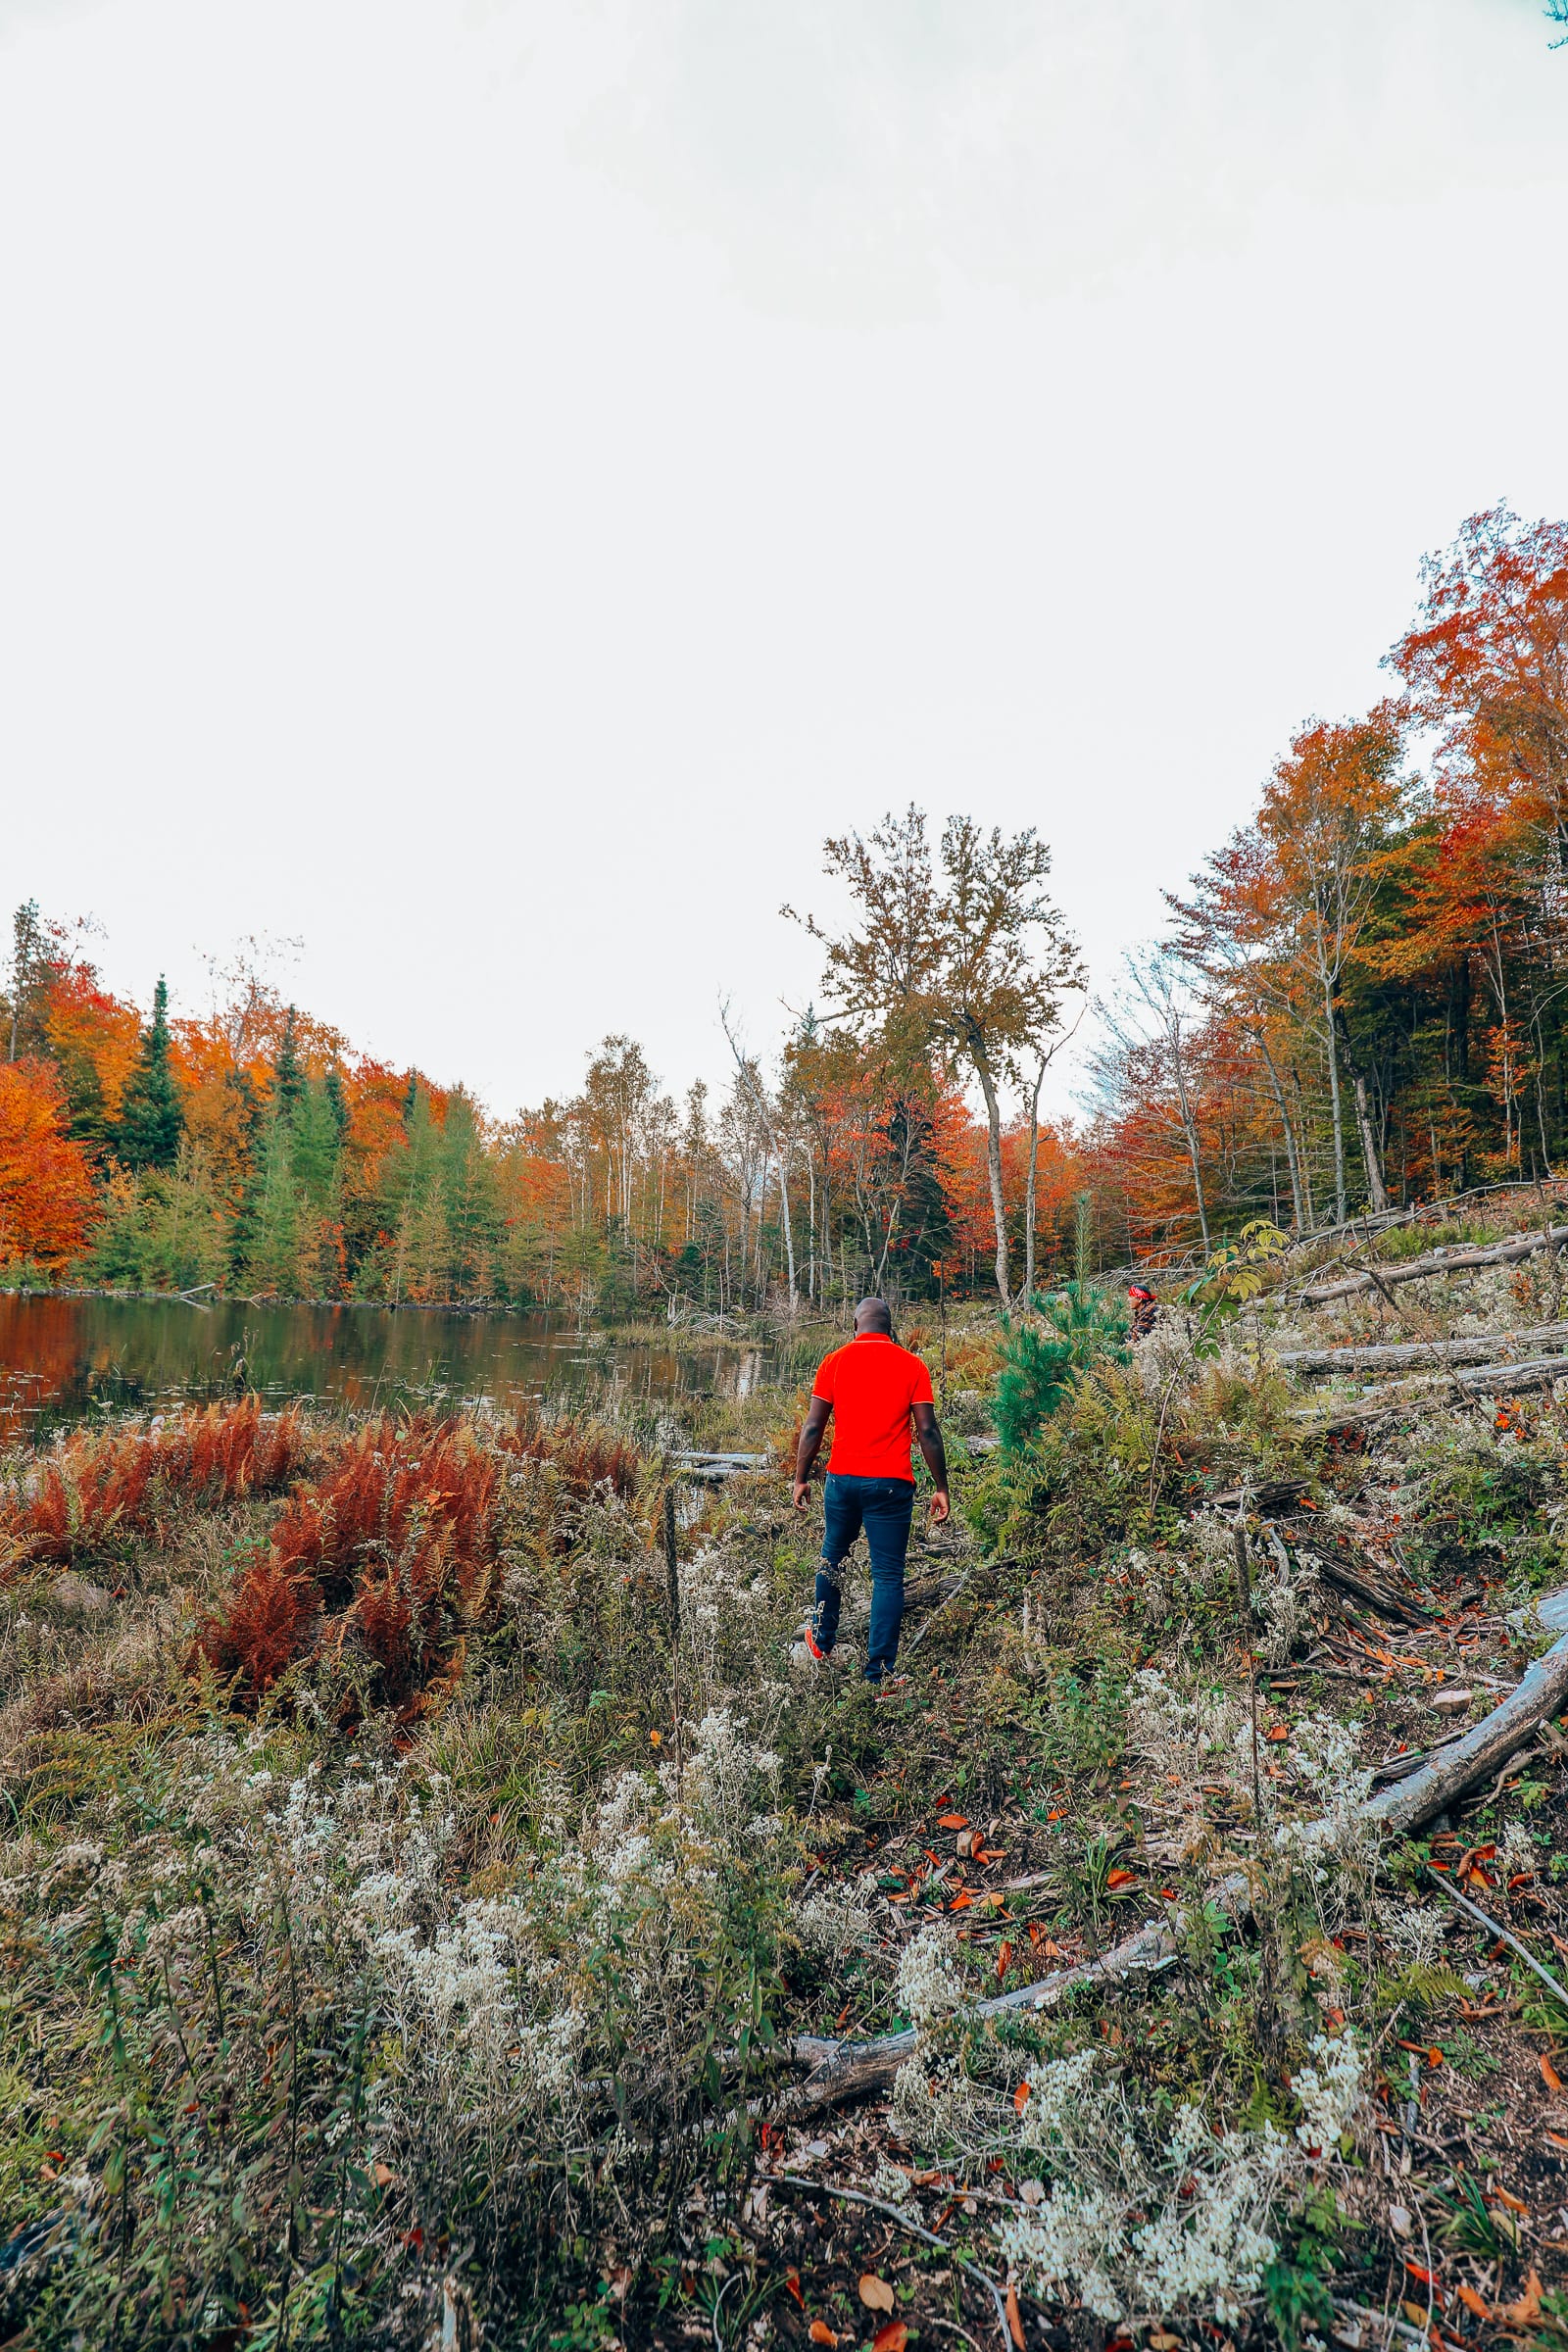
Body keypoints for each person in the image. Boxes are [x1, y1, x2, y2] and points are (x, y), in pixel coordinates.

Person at [791, 1297, 949, 1690]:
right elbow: (927, 1431)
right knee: (888, 1577)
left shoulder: (834, 1362)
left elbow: (813, 1427)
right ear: (890, 1328)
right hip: (891, 1484)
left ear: (855, 1326)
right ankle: (879, 1673)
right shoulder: (912, 1365)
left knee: (832, 1560)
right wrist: (941, 1486)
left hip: (843, 1480)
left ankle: (821, 1641)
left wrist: (801, 1477)